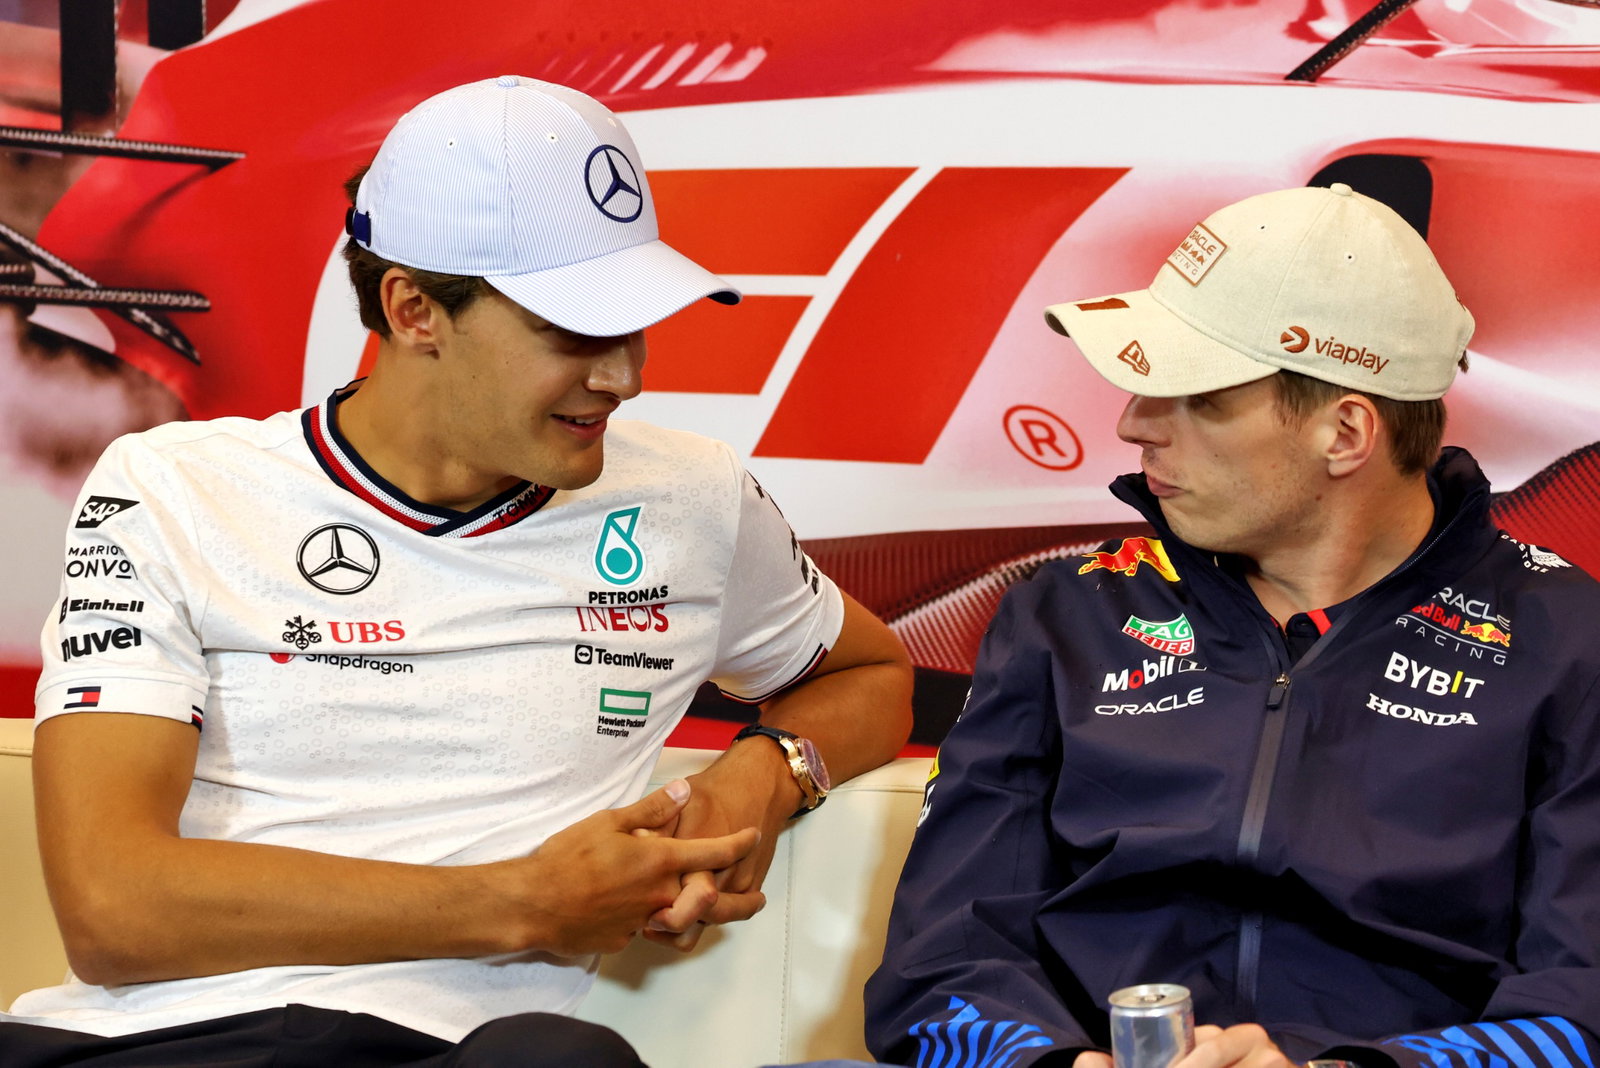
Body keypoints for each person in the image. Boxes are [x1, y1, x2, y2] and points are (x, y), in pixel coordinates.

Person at [1, 75, 913, 1065]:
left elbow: (867, 677)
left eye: (635, 325)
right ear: (413, 309)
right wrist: (524, 903)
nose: (624, 375)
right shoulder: (170, 485)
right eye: (574, 331)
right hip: (145, 1049)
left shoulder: (691, 496)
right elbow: (111, 910)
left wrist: (765, 775)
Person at [864, 183, 1599, 1068]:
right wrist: (1054, 1065)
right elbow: (939, 964)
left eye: (1198, 397)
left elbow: (1583, 1004)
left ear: (1346, 432)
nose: (1134, 423)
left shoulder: (1567, 640)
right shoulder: (1069, 613)